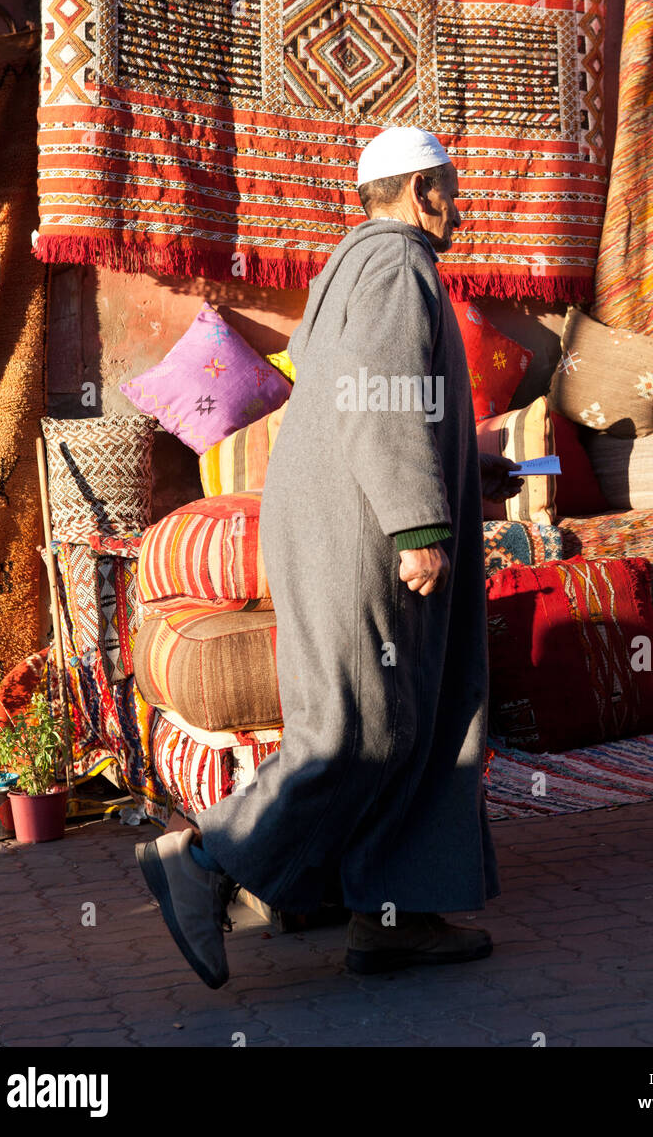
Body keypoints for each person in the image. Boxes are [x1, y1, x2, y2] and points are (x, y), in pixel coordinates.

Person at [135, 127, 523, 988]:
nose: (458, 205)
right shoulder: (398, 265)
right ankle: (203, 866)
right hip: (362, 540)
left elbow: (368, 392)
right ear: (423, 191)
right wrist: (418, 526)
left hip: (336, 527)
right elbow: (379, 400)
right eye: (450, 188)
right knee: (359, 728)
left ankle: (394, 919)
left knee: (401, 722)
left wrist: (471, 466)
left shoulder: (353, 263)